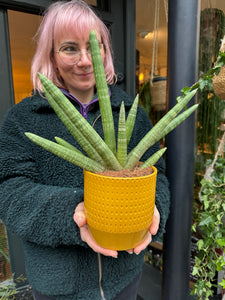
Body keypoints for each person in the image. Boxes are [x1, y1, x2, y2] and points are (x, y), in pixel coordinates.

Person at [0, 1, 170, 299]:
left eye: (95, 46)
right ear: (50, 55)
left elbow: (160, 175)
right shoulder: (23, 118)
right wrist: (74, 213)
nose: (85, 60)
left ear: (106, 50)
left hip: (124, 274)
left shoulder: (131, 110)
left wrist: (153, 206)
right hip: (58, 284)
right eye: (69, 48)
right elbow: (9, 191)